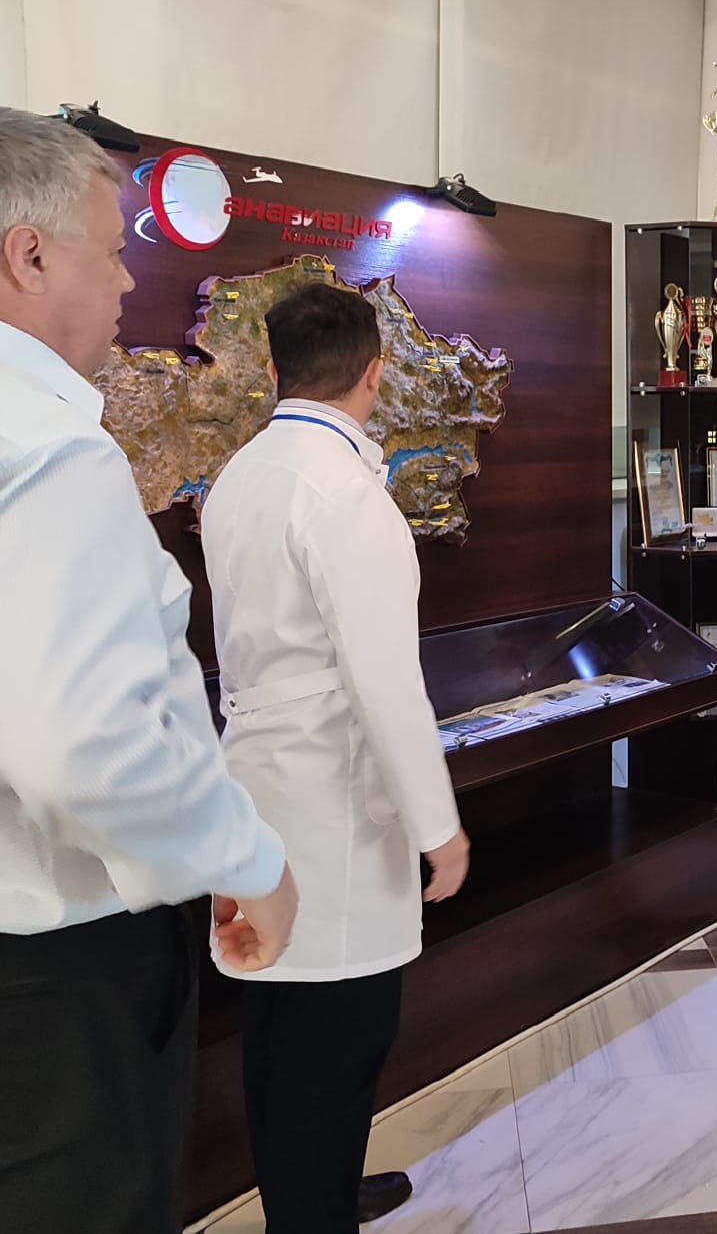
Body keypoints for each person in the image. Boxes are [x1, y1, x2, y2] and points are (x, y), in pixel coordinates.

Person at [0, 106, 298, 1234]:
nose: (129, 279)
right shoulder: (47, 449)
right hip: (55, 984)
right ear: (28, 255)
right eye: (113, 247)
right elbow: (83, 748)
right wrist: (245, 857)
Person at [201, 280, 469, 1233]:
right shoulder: (346, 493)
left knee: (280, 1027)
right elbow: (385, 682)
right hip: (332, 801)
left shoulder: (240, 474)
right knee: (339, 1038)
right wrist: (439, 827)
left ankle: (315, 1190)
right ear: (375, 374)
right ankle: (311, 1211)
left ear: (274, 368)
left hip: (254, 782)